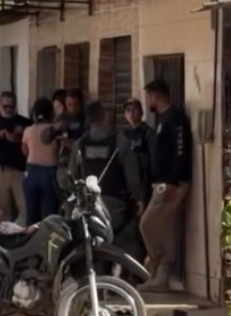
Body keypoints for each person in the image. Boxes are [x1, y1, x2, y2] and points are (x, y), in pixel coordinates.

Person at [69, 102, 145, 264]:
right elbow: (132, 174)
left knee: (96, 246)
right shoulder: (120, 141)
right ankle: (122, 281)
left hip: (89, 206)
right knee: (128, 242)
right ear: (104, 116)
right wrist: (139, 198)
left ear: (88, 120)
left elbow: (72, 176)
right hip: (116, 206)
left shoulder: (80, 145)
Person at [139, 79, 193, 292]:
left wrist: (173, 181)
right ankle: (161, 278)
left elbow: (181, 151)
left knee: (147, 224)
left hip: (171, 184)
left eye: (149, 96)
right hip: (161, 182)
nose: (148, 101)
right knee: (167, 231)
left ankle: (154, 258)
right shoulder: (161, 118)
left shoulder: (175, 117)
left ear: (156, 95)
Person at [0, 92, 31, 223]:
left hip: (20, 170)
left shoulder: (24, 122)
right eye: (5, 106)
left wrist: (20, 135)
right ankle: (6, 235)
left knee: (25, 207)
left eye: (11, 106)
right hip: (1, 169)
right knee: (2, 207)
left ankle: (22, 234)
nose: (8, 109)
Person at [22, 98, 60, 225]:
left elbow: (24, 151)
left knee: (31, 215)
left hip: (31, 172)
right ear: (51, 113)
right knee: (50, 216)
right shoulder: (54, 130)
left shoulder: (28, 130)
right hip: (50, 172)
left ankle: (30, 241)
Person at [122, 98, 155, 199]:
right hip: (129, 183)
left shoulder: (148, 133)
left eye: (134, 109)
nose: (131, 113)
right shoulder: (123, 135)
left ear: (141, 113)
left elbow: (153, 158)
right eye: (128, 110)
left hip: (146, 182)